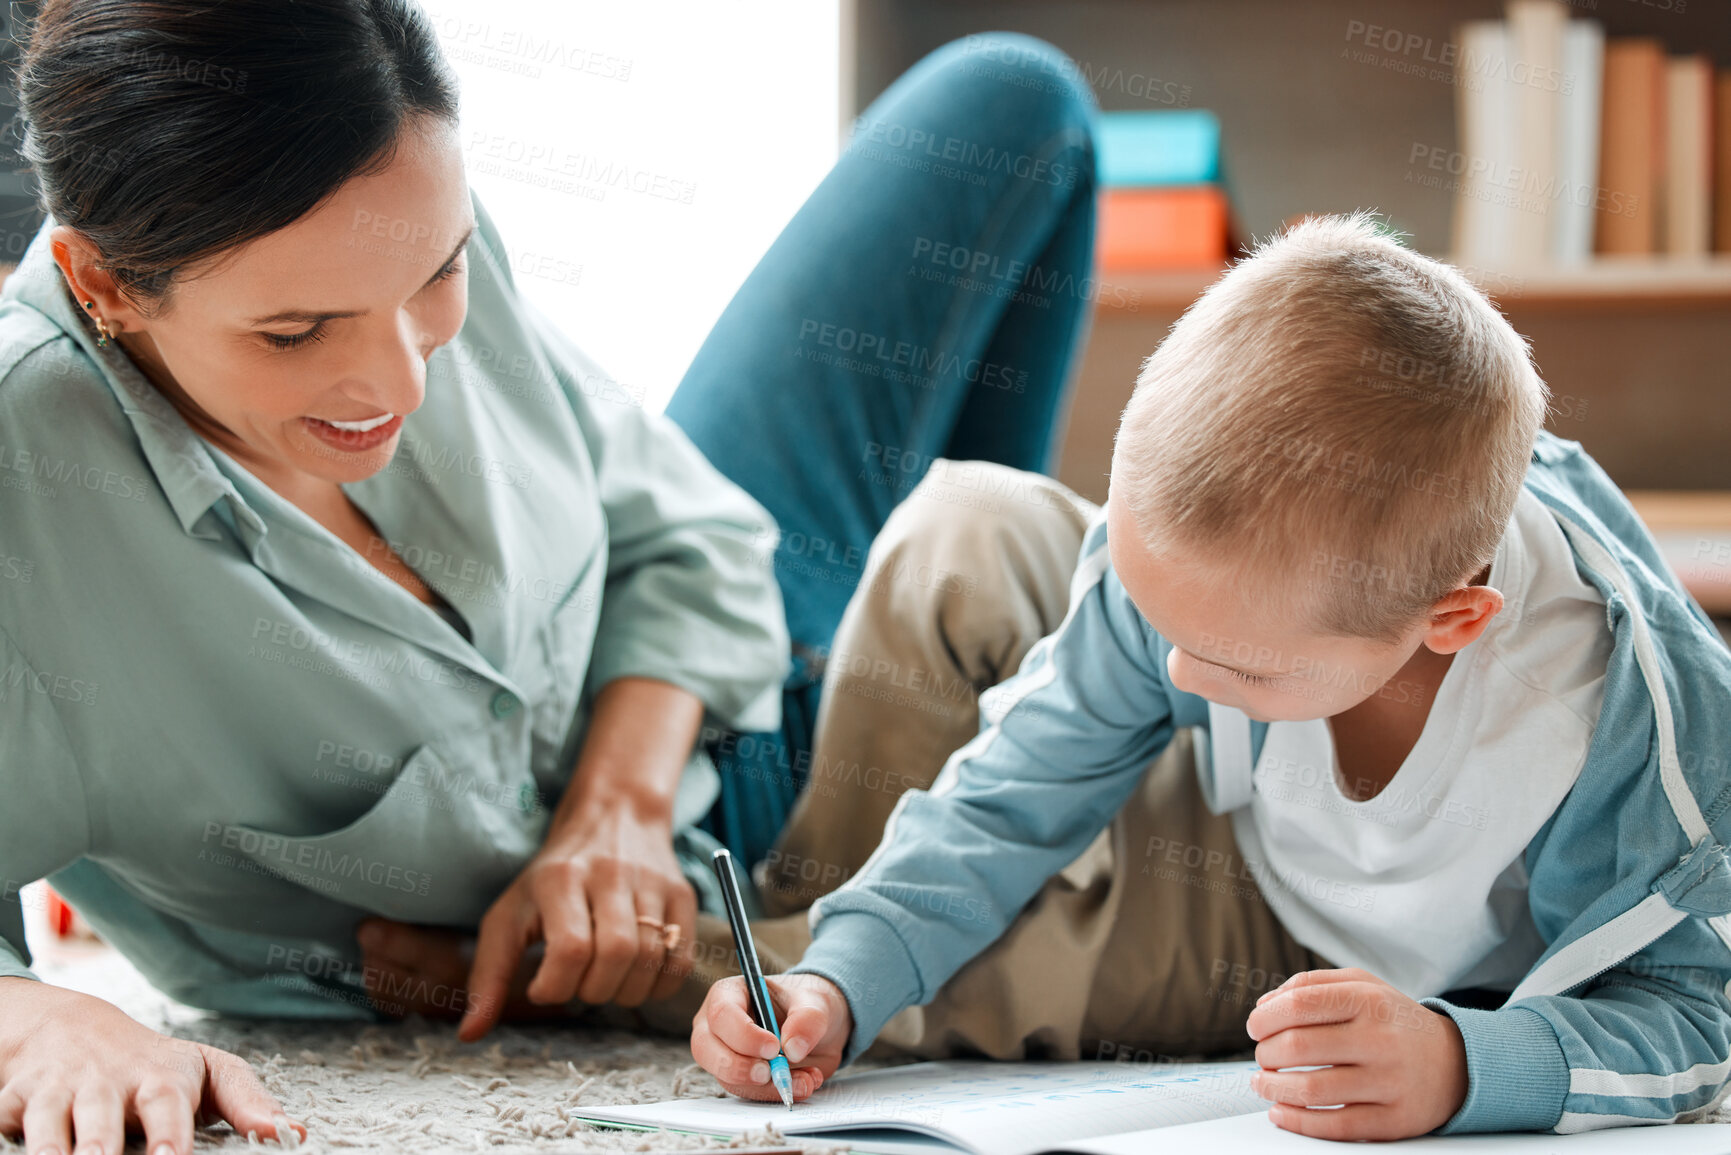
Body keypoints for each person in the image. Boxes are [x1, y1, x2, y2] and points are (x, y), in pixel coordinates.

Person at [0, 1, 1099, 1152]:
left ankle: (996, 711)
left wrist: (615, 810)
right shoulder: (33, 490)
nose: (400, 385)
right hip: (702, 913)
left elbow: (697, 540)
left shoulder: (396, 212)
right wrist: (30, 1024)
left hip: (748, 677)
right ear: (105, 286)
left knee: (1013, 100)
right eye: (295, 333)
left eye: (439, 273)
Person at [688, 212, 1731, 1140]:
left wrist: (1460, 1063)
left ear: (1451, 620)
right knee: (964, 528)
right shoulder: (1218, 598)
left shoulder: (1629, 744)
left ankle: (681, 961)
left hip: (1314, 937)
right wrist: (841, 975)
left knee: (995, 981)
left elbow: (1692, 1019)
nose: (1176, 669)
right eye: (1156, 613)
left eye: (1224, 658)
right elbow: (1016, 789)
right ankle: (803, 949)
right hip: (1261, 781)